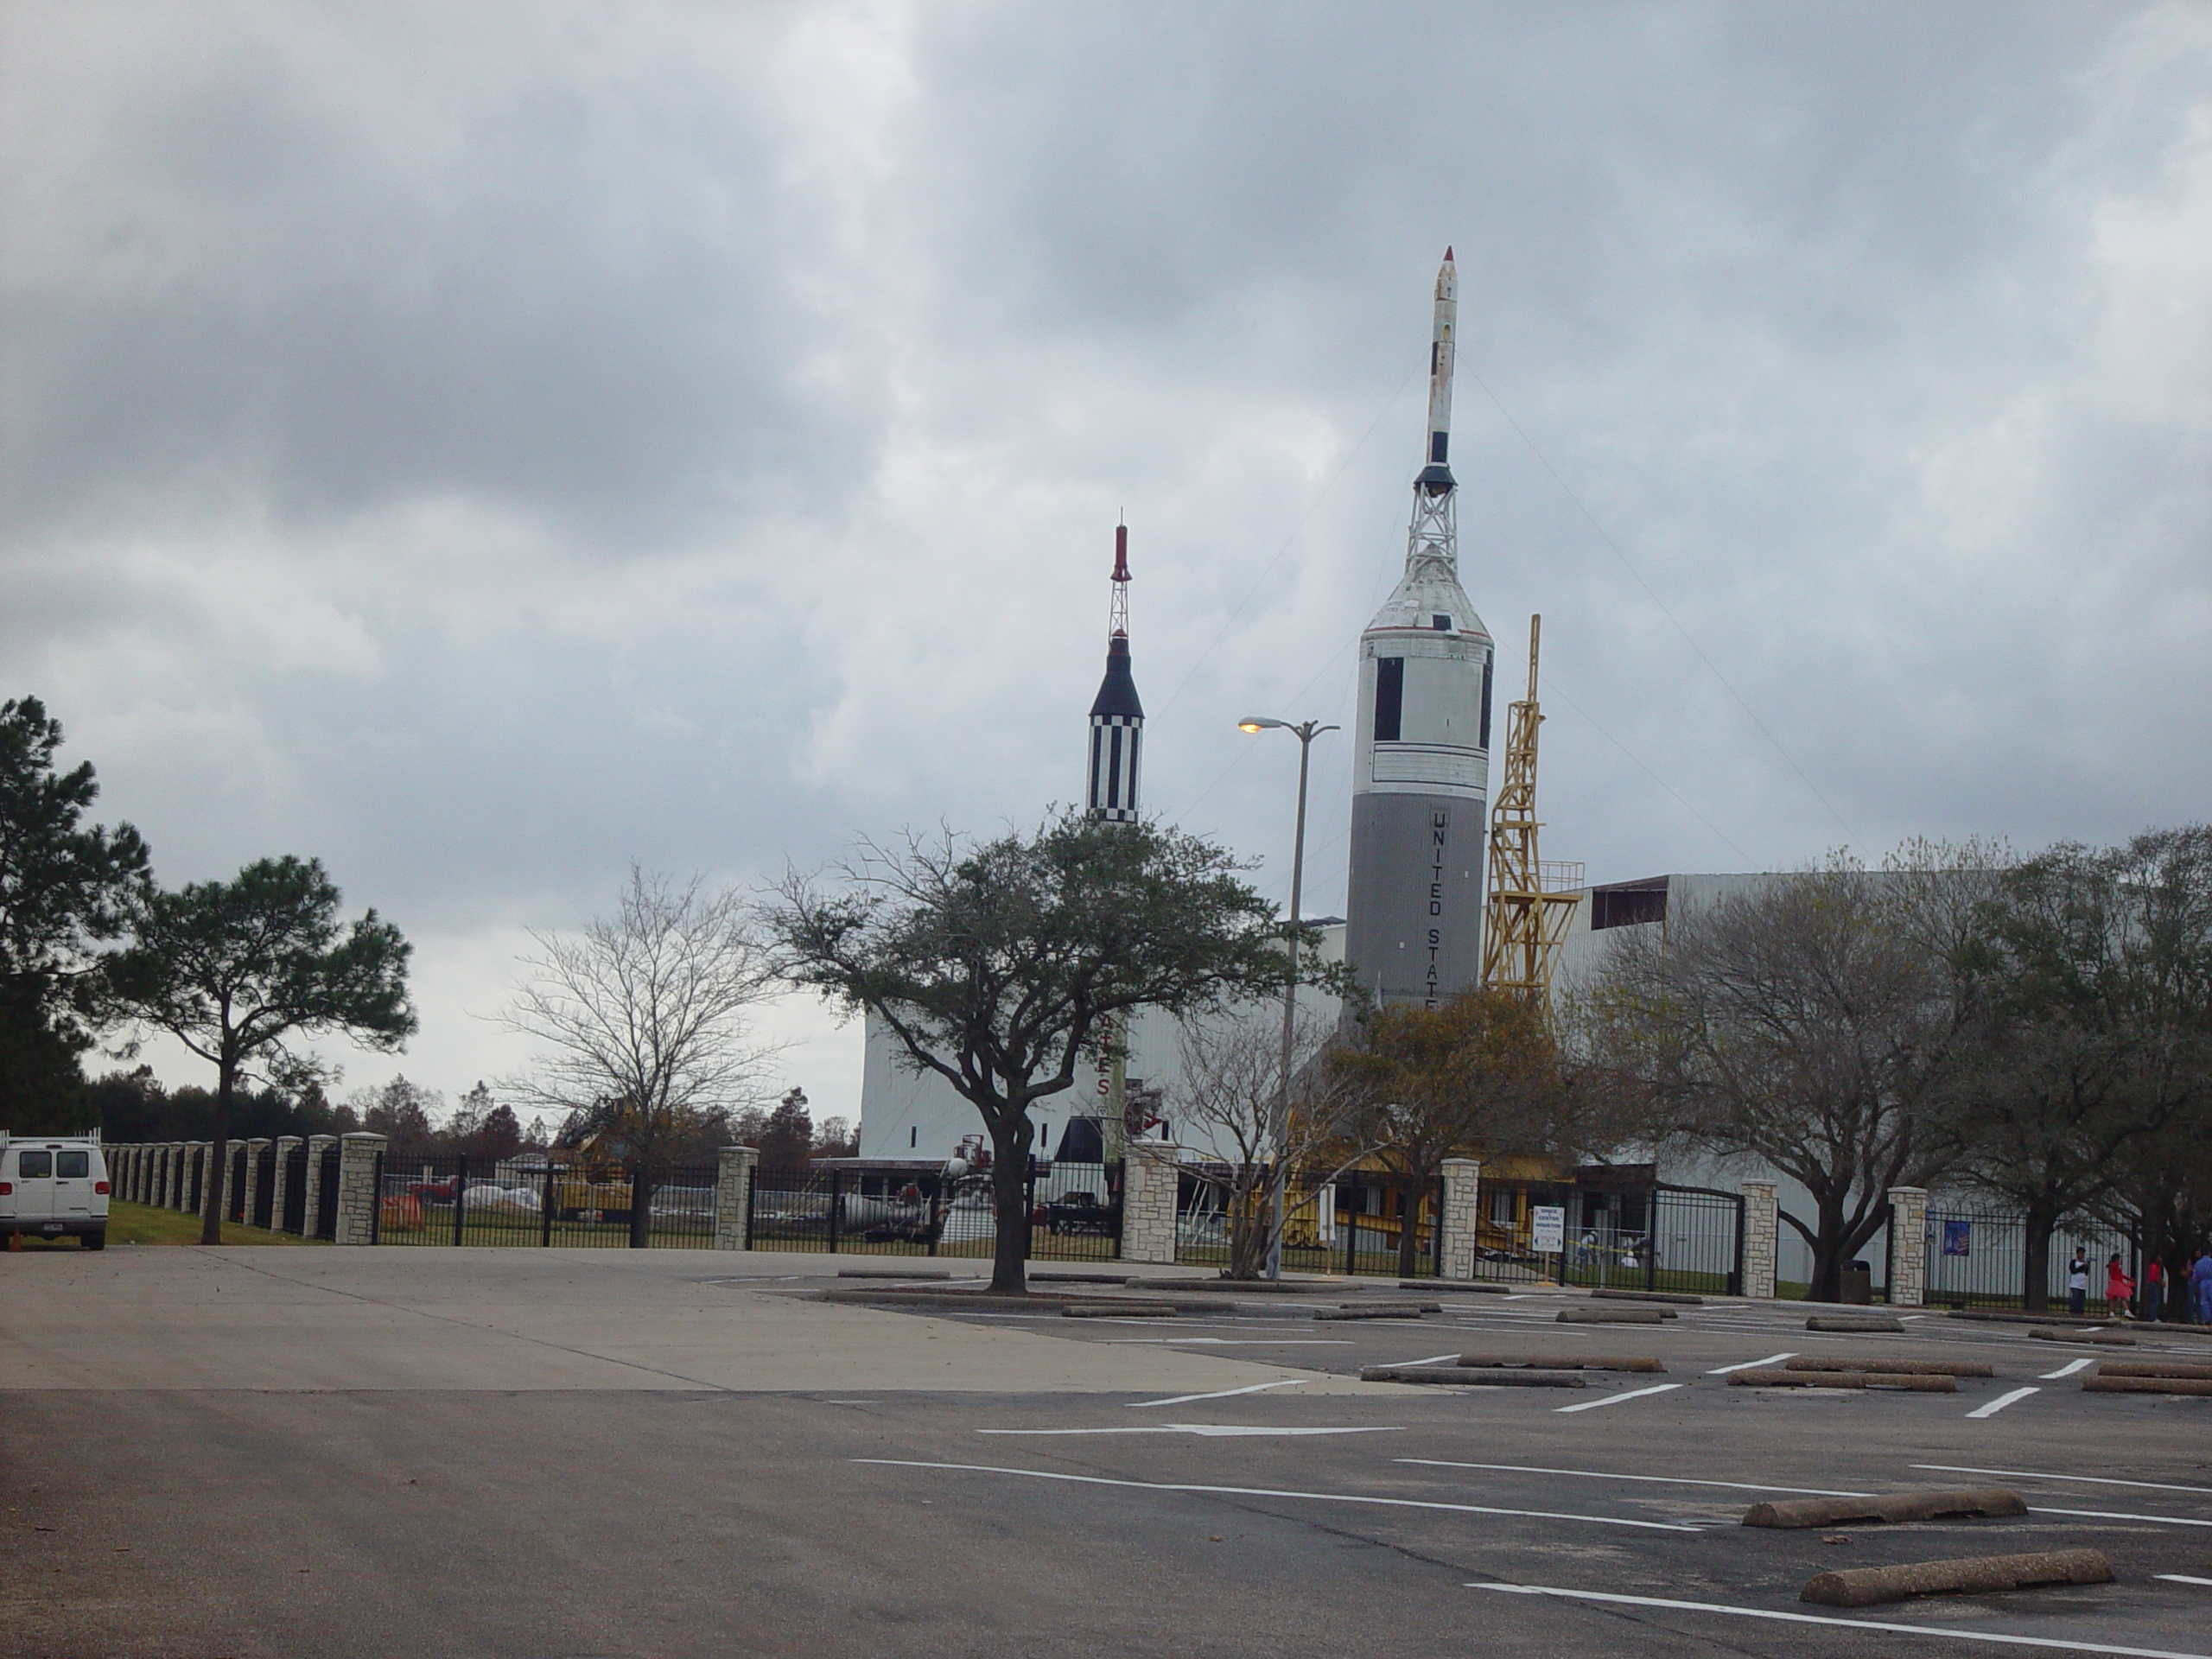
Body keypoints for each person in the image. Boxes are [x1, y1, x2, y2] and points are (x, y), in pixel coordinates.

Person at [2105, 1253, 2133, 1319]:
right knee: (2123, 1296)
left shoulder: (2113, 1266)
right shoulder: (2113, 1265)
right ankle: (2126, 1311)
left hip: (2115, 1283)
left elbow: (2121, 1275)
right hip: (2117, 1283)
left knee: (2113, 1298)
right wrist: (2118, 1262)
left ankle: (2112, 1313)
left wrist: (2128, 1279)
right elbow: (2116, 1266)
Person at [2067, 1249, 2090, 1317]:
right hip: (2075, 1284)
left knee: (2081, 1298)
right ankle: (2073, 1311)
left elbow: (2086, 1273)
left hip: (2083, 1284)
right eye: (2080, 1253)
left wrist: (2086, 1267)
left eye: (2083, 1254)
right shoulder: (2074, 1262)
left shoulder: (2084, 1262)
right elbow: (2073, 1271)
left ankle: (2080, 1311)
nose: (2082, 1255)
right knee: (2075, 1297)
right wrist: (2082, 1267)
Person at [2192, 1249, 2212, 1325]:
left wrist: (2196, 1285)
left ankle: (2207, 1319)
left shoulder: (2198, 1263)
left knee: (2205, 1302)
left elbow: (2195, 1277)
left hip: (2203, 1283)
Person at [2144, 1255, 2164, 1325]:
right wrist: (2160, 1283)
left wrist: (2161, 1280)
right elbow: (2154, 1277)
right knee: (2154, 1301)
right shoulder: (2154, 1266)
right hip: (2152, 1284)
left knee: (2154, 1301)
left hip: (2153, 1284)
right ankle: (2153, 1317)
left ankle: (2152, 1316)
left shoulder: (2157, 1267)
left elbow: (2158, 1275)